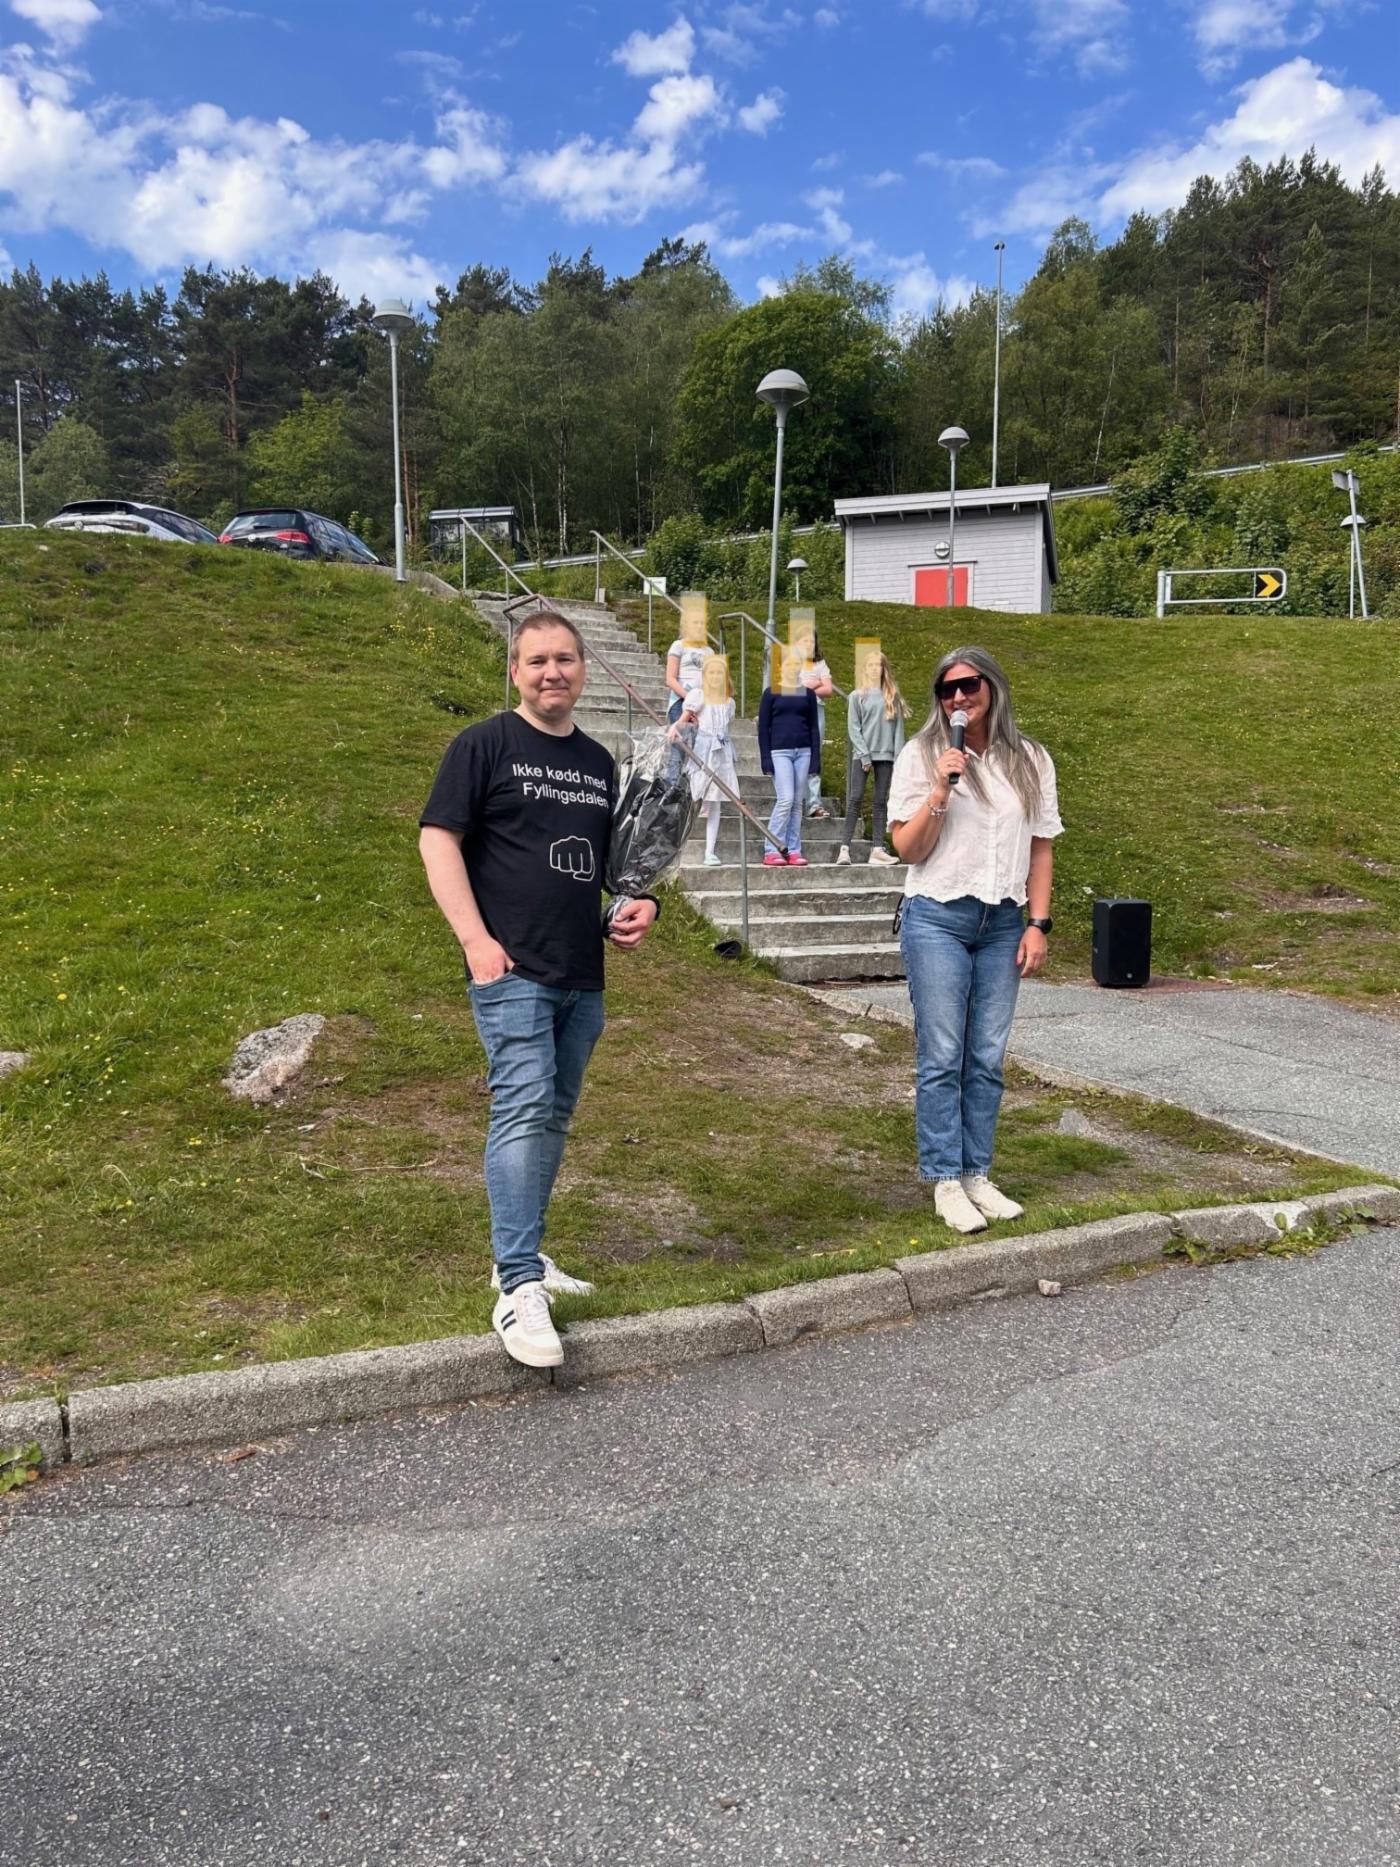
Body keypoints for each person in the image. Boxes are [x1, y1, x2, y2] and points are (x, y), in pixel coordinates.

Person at [418, 612, 659, 1370]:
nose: (552, 672)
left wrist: (640, 903)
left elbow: (613, 865)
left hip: (581, 971)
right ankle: (517, 1286)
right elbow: (437, 838)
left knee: (552, 1115)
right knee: (523, 1108)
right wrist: (475, 942)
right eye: (536, 660)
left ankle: (523, 1253)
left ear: (583, 668)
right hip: (512, 970)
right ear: (515, 672)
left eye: (564, 659)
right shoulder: (485, 744)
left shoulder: (597, 762)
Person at [887, 646, 1063, 1236]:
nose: (959, 697)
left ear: (993, 686)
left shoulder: (1030, 759)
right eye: (947, 689)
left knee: (986, 1057)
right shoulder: (922, 755)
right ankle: (945, 1179)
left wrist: (1038, 923)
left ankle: (976, 1173)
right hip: (937, 916)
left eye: (969, 685)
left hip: (1004, 923)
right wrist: (940, 790)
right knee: (942, 1055)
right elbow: (907, 849)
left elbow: (1041, 846)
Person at [837, 651, 908, 867]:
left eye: (879, 665)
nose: (875, 669)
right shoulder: (857, 696)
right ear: (865, 669)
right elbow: (854, 728)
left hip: (886, 756)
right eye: (871, 665)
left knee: (880, 801)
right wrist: (864, 755)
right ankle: (844, 849)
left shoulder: (892, 696)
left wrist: (898, 757)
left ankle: (877, 849)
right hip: (862, 756)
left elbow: (898, 730)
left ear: (884, 669)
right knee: (855, 798)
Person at [757, 646, 820, 867]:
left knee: (797, 803)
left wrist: (815, 760)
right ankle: (771, 848)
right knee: (785, 799)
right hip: (779, 752)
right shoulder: (771, 693)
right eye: (789, 663)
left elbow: (814, 728)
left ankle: (793, 849)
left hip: (803, 752)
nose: (793, 668)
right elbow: (763, 729)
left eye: (796, 664)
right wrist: (765, 759)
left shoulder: (808, 694)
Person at [689, 653, 738, 867]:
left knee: (717, 798)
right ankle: (701, 807)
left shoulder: (729, 702)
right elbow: (684, 719)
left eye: (720, 673)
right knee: (697, 787)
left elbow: (725, 726)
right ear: (704, 675)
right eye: (712, 672)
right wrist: (676, 728)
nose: (716, 676)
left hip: (721, 753)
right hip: (704, 749)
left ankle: (710, 850)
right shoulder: (699, 696)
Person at [788, 617, 835, 815]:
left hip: (816, 711)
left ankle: (814, 803)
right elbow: (789, 688)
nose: (809, 644)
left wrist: (807, 687)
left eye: (811, 641)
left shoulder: (820, 664)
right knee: (794, 752)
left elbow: (828, 689)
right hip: (795, 712)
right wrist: (815, 685)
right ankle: (794, 799)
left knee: (815, 753)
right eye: (804, 640)